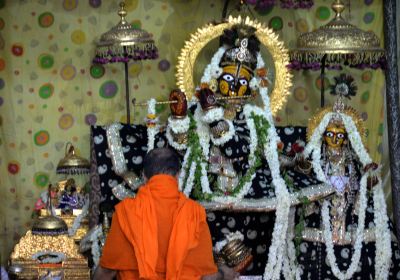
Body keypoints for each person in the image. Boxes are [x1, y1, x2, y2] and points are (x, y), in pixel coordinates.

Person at [93, 148, 238, 280]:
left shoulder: (127, 210)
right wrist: (224, 273)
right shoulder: (193, 212)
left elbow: (106, 272)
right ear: (178, 175)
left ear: (144, 176)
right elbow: (208, 277)